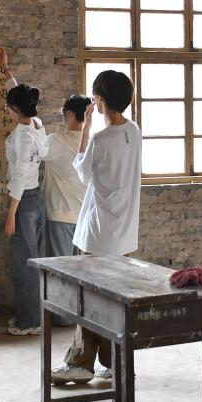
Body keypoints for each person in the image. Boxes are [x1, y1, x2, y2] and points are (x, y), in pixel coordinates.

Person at [51, 70, 141, 385]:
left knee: (88, 298)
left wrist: (86, 128)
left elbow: (83, 172)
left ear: (100, 99)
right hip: (123, 231)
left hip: (99, 232)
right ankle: (114, 361)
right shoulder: (134, 131)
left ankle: (80, 363)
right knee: (112, 300)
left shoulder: (101, 139)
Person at [0, 48, 50, 336]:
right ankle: (30, 316)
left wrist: (11, 214)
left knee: (24, 263)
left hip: (23, 202)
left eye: (8, 107)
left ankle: (29, 322)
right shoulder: (35, 124)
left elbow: (19, 177)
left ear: (15, 110)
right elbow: (20, 96)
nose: (7, 110)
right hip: (34, 200)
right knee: (30, 259)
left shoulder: (22, 137)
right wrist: (6, 70)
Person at [42, 93, 92, 326]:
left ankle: (62, 318)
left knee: (61, 269)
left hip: (60, 213)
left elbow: (33, 145)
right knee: (78, 270)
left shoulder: (57, 142)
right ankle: (76, 315)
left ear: (70, 114)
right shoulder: (91, 142)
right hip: (83, 216)